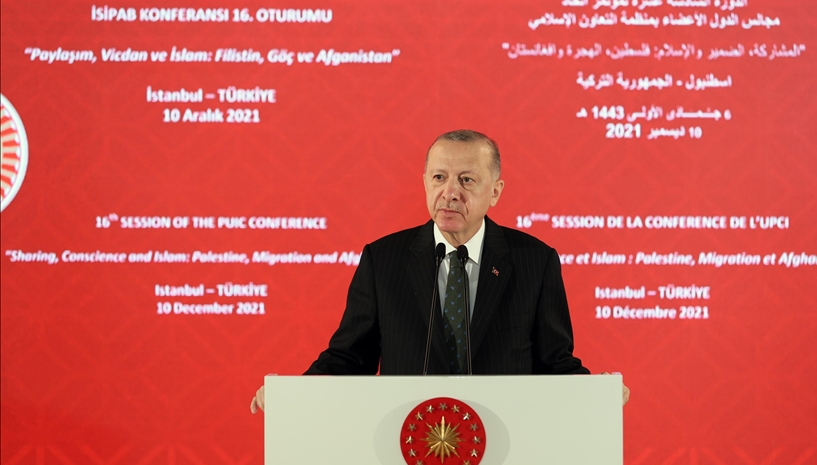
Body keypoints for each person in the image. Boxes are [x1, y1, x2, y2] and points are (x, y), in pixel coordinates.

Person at [251, 130, 629, 413]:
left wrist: (597, 393)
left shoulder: (535, 261)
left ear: (495, 191)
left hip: (506, 446)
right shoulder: (384, 259)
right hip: (407, 445)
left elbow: (554, 363)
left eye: (466, 180)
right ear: (424, 183)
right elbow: (350, 357)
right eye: (438, 178)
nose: (450, 192)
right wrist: (291, 395)